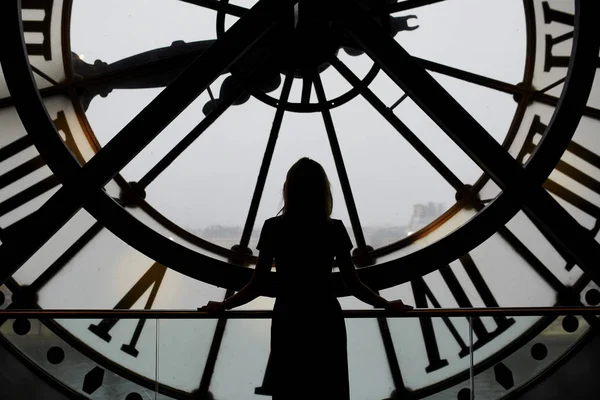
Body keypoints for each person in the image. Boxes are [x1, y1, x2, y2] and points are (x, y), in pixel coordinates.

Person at [199, 157, 413, 399]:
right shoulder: (334, 229)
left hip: (289, 318)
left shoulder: (273, 228)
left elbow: (256, 285)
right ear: (323, 190)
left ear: (289, 188)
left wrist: (224, 305)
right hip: (325, 318)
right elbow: (354, 284)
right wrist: (386, 304)